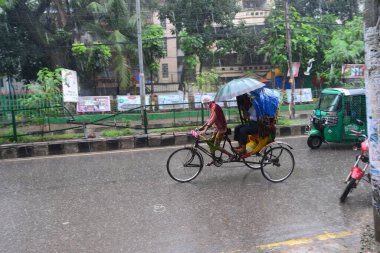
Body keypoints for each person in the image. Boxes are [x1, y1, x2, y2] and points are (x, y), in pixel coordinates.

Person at [198, 95, 234, 164]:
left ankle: (231, 155)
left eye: (204, 104)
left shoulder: (215, 107)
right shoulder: (212, 107)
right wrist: (202, 127)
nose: (204, 106)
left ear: (207, 103)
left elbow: (212, 120)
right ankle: (214, 159)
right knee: (211, 143)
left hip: (221, 129)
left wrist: (205, 130)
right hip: (217, 128)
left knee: (216, 146)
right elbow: (209, 119)